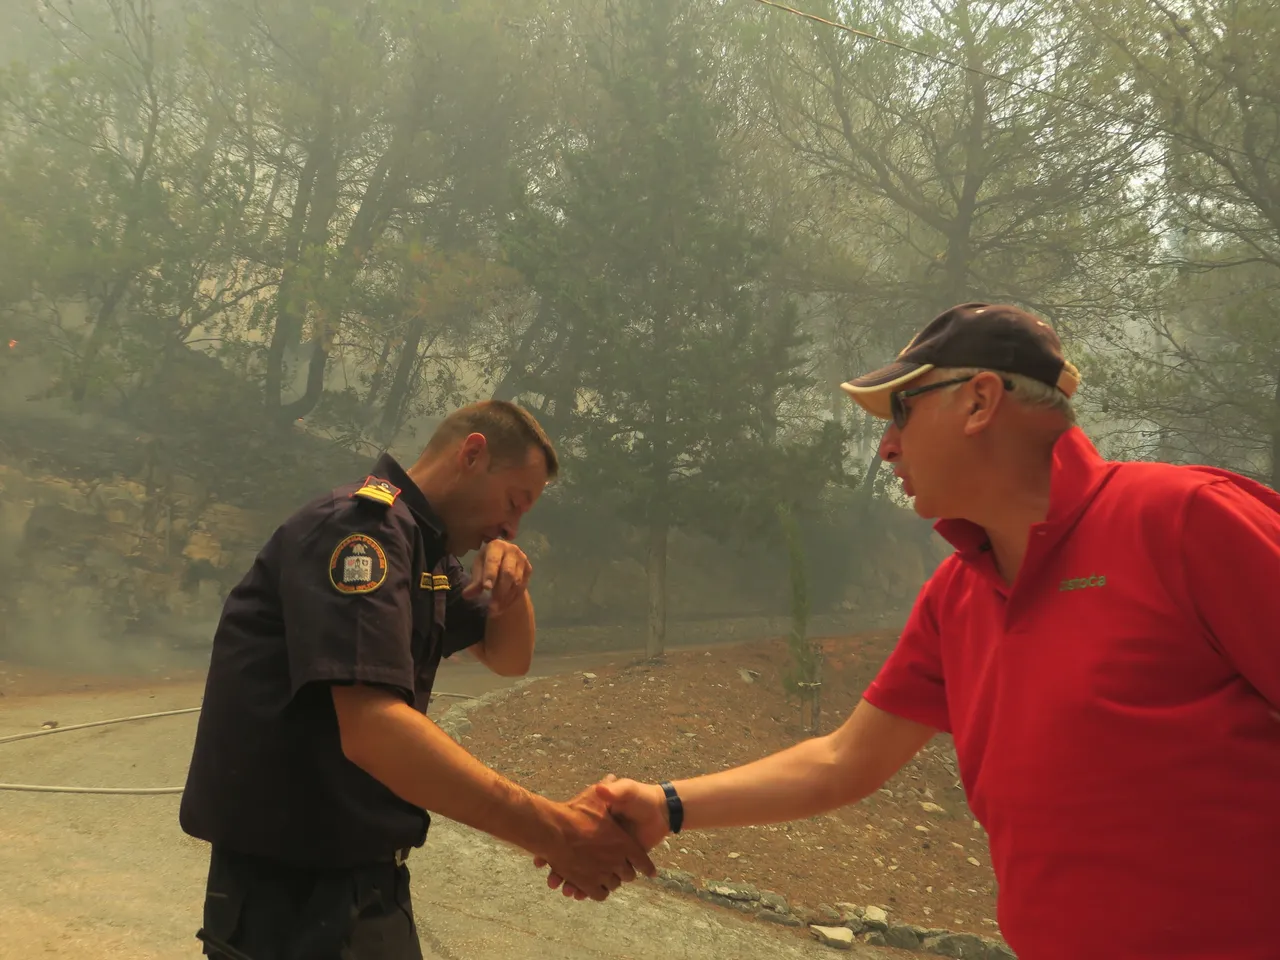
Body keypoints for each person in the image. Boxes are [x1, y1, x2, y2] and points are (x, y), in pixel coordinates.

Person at [539, 303, 1280, 960]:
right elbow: (841, 762)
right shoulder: (955, 596)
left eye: (900, 412)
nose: (886, 446)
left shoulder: (1184, 520)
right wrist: (667, 806)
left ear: (979, 401)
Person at [180, 400, 654, 960]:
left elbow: (508, 658)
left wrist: (512, 584)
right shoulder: (361, 531)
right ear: (473, 454)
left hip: (364, 882)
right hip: (290, 898)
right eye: (514, 502)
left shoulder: (425, 550)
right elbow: (374, 729)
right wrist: (556, 832)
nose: (511, 524)